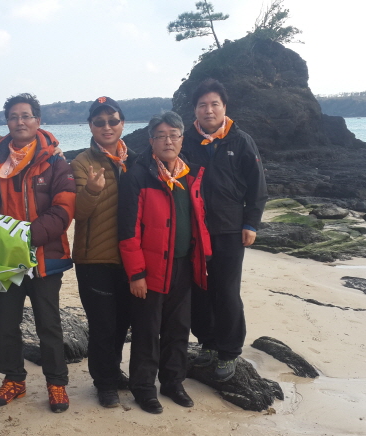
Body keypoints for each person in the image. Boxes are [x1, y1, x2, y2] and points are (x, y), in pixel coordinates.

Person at [0, 93, 76, 413]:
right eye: (14, 116)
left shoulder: (55, 161)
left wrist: (25, 237)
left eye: (26, 116)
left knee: (49, 323)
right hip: (3, 257)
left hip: (45, 255)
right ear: (7, 122)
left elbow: (64, 209)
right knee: (7, 322)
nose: (20, 121)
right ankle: (13, 379)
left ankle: (56, 383)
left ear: (37, 121)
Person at [118, 112, 211, 414]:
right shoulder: (138, 176)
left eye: (173, 135)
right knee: (147, 330)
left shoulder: (190, 175)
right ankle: (143, 388)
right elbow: (128, 231)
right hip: (150, 268)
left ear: (182, 139)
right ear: (151, 141)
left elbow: (199, 220)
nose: (168, 141)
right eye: (161, 135)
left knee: (178, 328)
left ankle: (173, 382)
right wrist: (136, 274)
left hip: (184, 265)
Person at [181, 78, 268, 382]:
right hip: (194, 229)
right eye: (202, 105)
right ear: (195, 110)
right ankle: (207, 342)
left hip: (230, 229)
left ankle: (229, 351)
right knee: (199, 290)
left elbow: (257, 185)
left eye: (214, 104)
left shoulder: (240, 141)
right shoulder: (185, 141)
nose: (209, 110)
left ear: (224, 107)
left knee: (227, 291)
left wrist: (251, 223)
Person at [70, 96, 134, 408]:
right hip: (93, 258)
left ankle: (113, 370)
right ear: (90, 126)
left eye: (112, 121)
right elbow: (78, 213)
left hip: (129, 257)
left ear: (122, 123)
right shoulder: (81, 163)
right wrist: (92, 190)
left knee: (122, 323)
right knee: (103, 325)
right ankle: (104, 383)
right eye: (99, 122)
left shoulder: (134, 160)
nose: (106, 127)